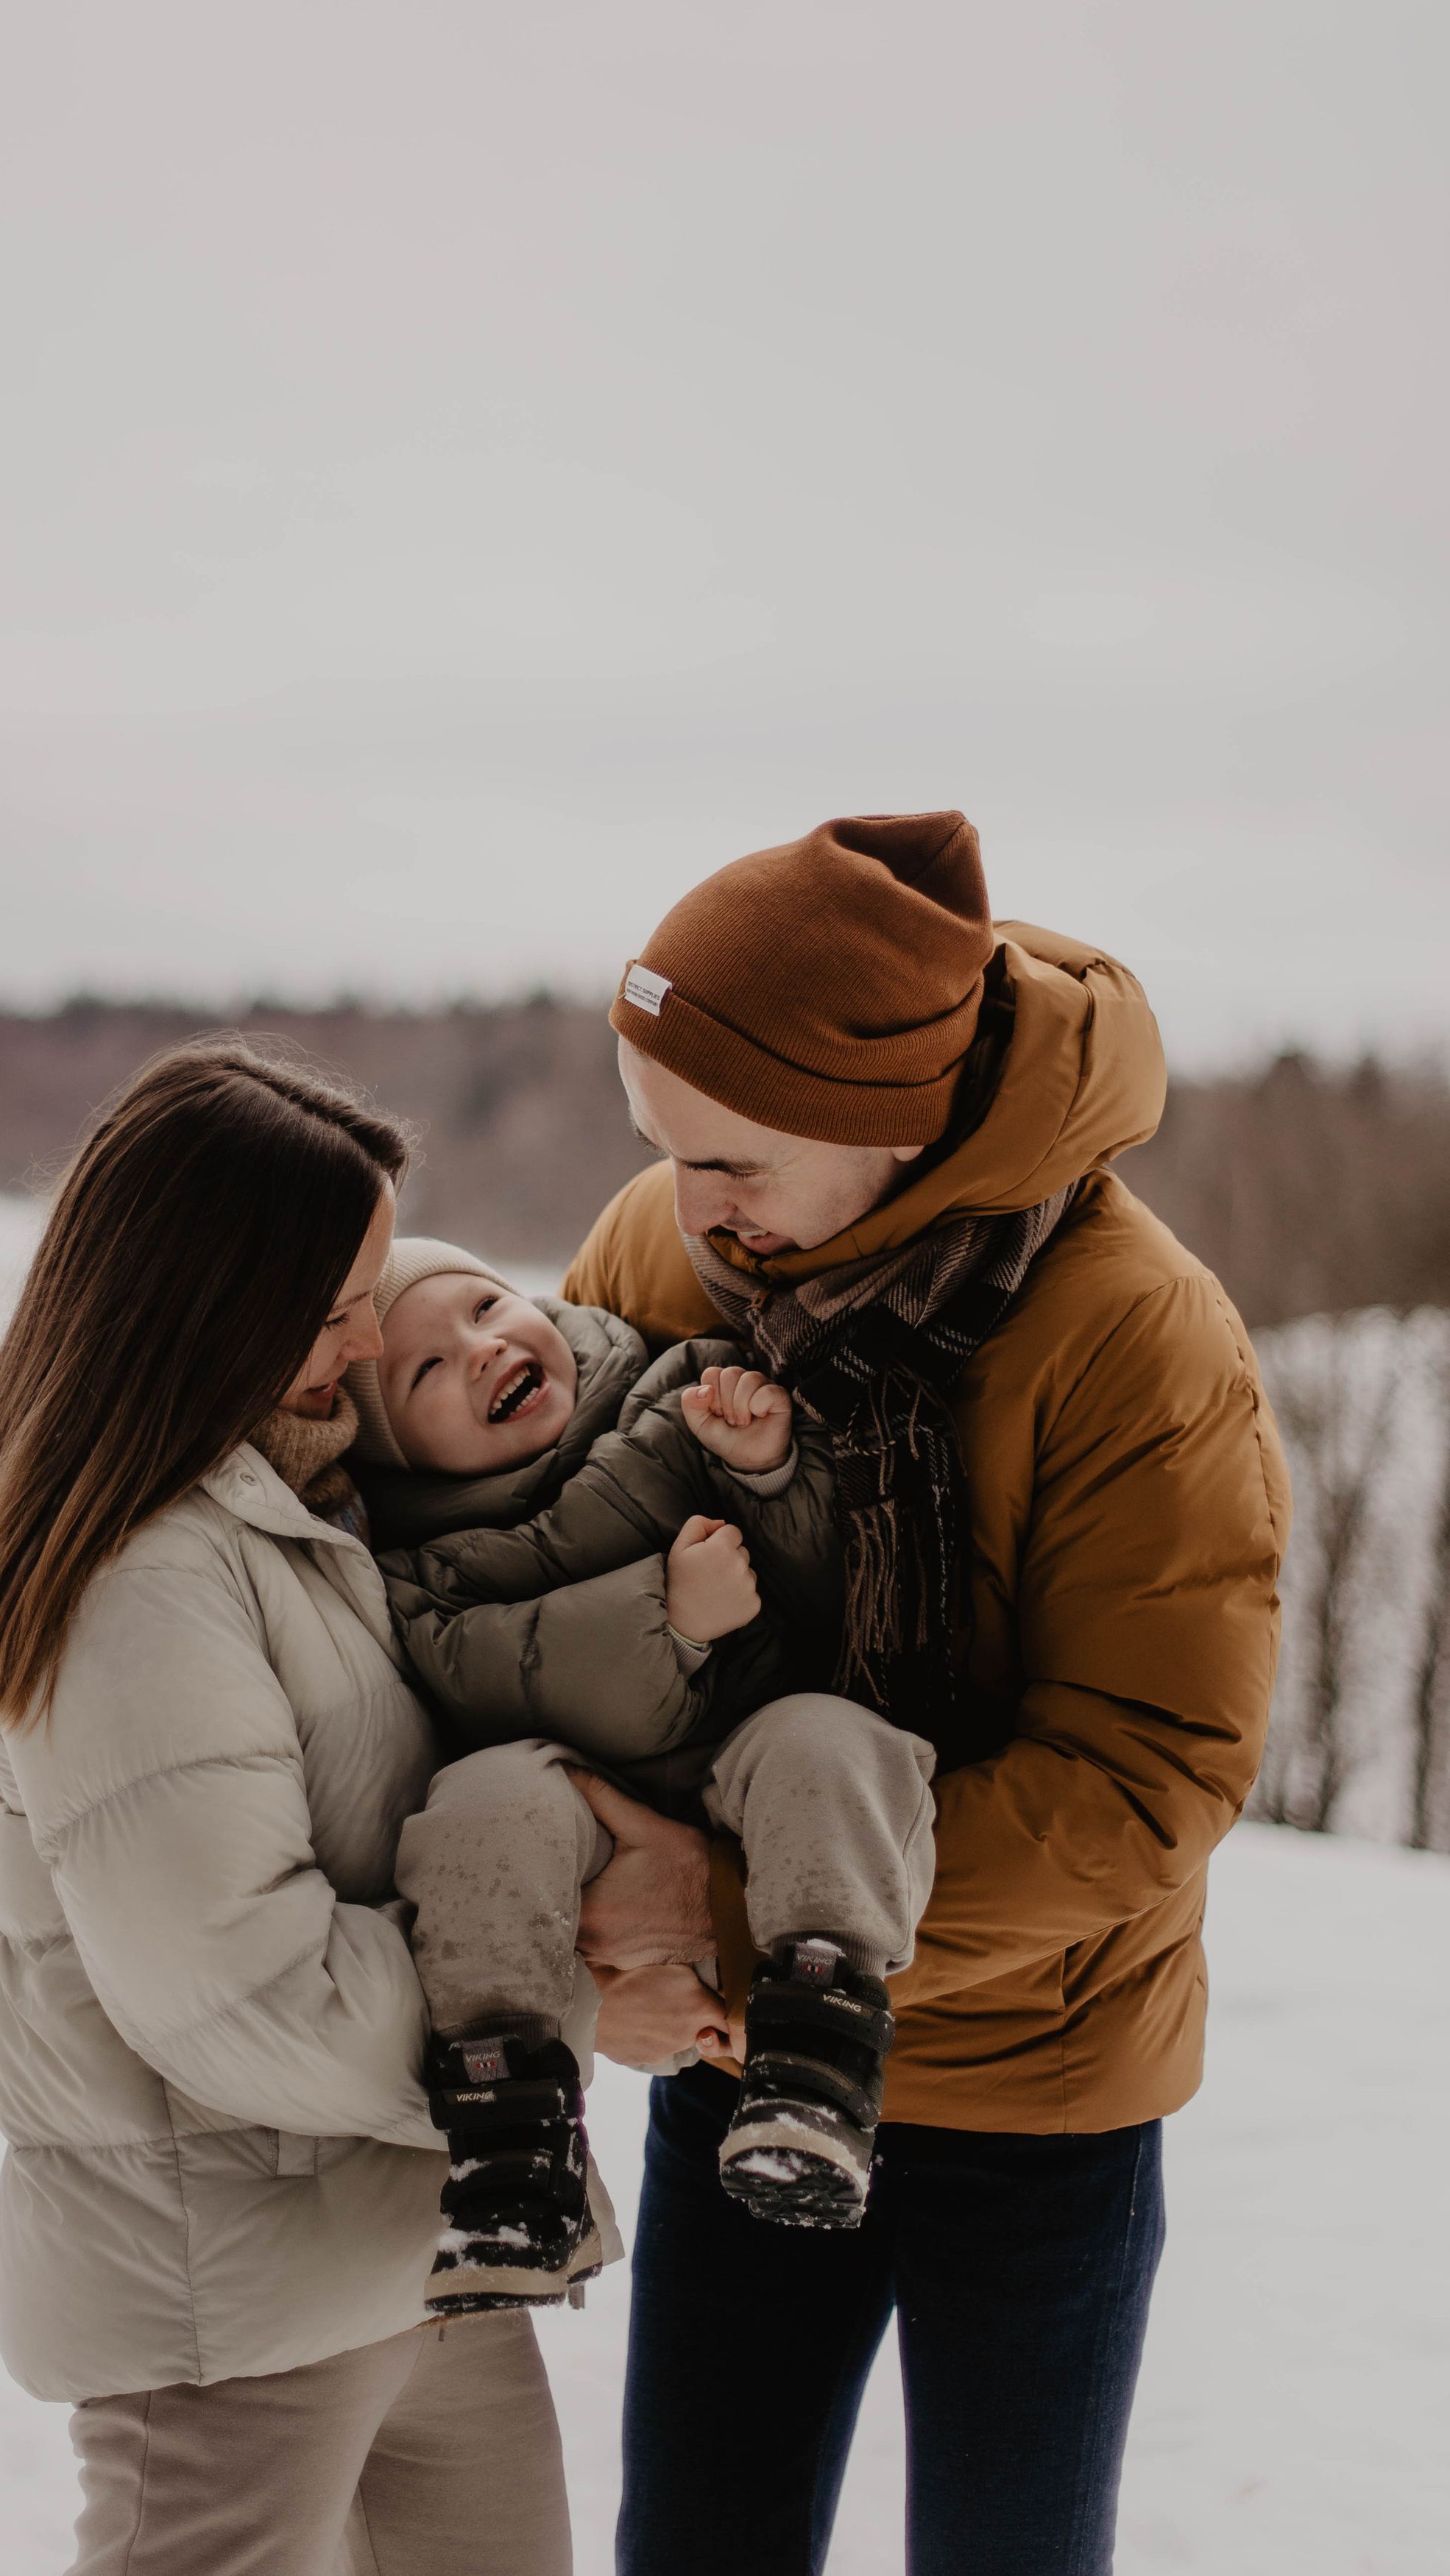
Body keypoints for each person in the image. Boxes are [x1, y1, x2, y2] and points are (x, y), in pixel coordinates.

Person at [562, 812, 1290, 2576]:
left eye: (731, 1158)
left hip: (1031, 2094)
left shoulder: (1134, 1334)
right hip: (742, 2068)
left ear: (891, 1120)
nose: (685, 1202)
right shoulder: (671, 1253)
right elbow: (539, 1578)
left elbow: (1140, 1779)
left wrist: (730, 1923)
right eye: (658, 1147)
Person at [0, 1043, 573, 2576]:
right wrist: (554, 1984)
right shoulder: (136, 1573)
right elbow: (244, 1988)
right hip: (227, 2313)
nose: (368, 1337)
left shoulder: (295, 1503)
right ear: (206, 1299)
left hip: (411, 2241)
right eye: (335, 1299)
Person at [338, 1241, 936, 2309]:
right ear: (400, 1456)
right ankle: (509, 2135)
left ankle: (817, 2046)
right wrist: (672, 1616)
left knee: (832, 1741)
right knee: (481, 1804)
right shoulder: (418, 1573)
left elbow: (837, 1595)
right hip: (588, 1827)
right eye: (426, 1368)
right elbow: (501, 1685)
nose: (481, 1349)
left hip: (754, 1777)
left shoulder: (677, 1394)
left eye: (487, 1305)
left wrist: (771, 1470)